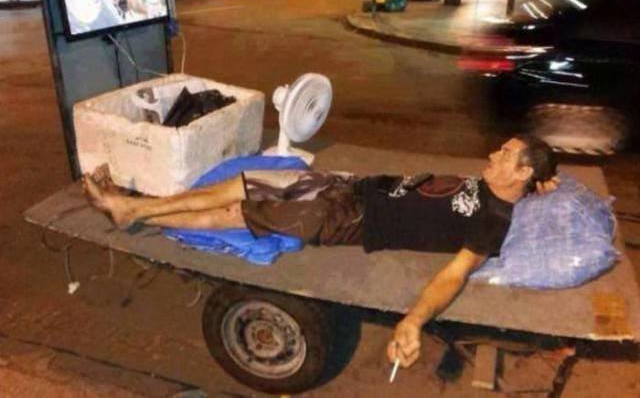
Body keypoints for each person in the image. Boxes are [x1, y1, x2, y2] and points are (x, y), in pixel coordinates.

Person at [83, 135, 558, 370]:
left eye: (505, 155)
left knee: (238, 212)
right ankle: (136, 205)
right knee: (247, 181)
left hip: (348, 219)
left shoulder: (493, 222)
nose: (493, 155)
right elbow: (542, 178)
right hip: (352, 187)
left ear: (520, 174)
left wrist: (413, 321)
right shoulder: (508, 184)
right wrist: (545, 183)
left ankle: (133, 212)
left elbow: (454, 275)